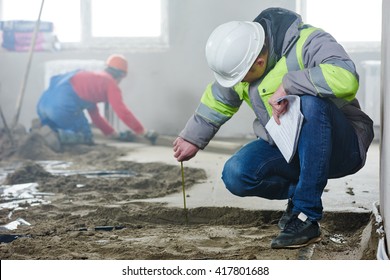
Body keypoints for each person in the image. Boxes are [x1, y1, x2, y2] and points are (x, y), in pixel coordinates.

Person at [173, 7, 374, 249]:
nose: (238, 84)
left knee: (308, 102)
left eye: (241, 78)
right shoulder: (243, 60)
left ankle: (306, 215)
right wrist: (192, 138)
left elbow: (346, 76)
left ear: (259, 62)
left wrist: (290, 85)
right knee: (237, 174)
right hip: (289, 146)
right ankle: (302, 192)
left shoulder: (309, 42)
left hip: (342, 146)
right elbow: (219, 98)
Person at [36, 54, 158, 146]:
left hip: (43, 104)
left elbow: (95, 116)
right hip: (61, 105)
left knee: (58, 124)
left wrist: (112, 134)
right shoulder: (110, 83)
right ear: (121, 75)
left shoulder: (93, 80)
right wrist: (142, 131)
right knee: (85, 136)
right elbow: (122, 111)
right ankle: (54, 137)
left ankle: (39, 130)